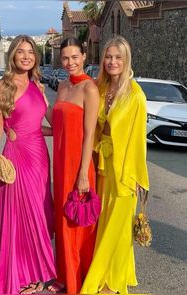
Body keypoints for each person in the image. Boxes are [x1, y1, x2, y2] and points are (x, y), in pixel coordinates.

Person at [0, 35, 56, 294]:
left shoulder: (38, 86)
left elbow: (42, 127)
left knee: (40, 213)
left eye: (30, 52)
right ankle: (21, 275)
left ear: (35, 57)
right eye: (20, 52)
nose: (26, 56)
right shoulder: (1, 87)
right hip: (16, 157)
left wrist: (60, 130)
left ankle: (38, 275)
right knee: (22, 217)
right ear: (12, 56)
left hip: (39, 157)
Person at [81, 36, 149, 294]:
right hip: (101, 166)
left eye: (118, 57)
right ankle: (113, 273)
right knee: (104, 224)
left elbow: (138, 141)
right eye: (108, 57)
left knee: (117, 229)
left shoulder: (136, 96)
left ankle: (109, 282)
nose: (112, 61)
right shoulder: (99, 88)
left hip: (124, 172)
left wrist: (138, 180)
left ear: (126, 60)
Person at [46, 37, 100, 294]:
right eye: (65, 58)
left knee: (76, 222)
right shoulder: (63, 85)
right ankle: (64, 276)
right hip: (60, 161)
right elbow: (57, 122)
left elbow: (89, 134)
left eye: (75, 57)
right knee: (62, 218)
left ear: (84, 56)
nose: (70, 62)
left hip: (78, 164)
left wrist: (83, 175)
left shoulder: (89, 88)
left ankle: (78, 281)